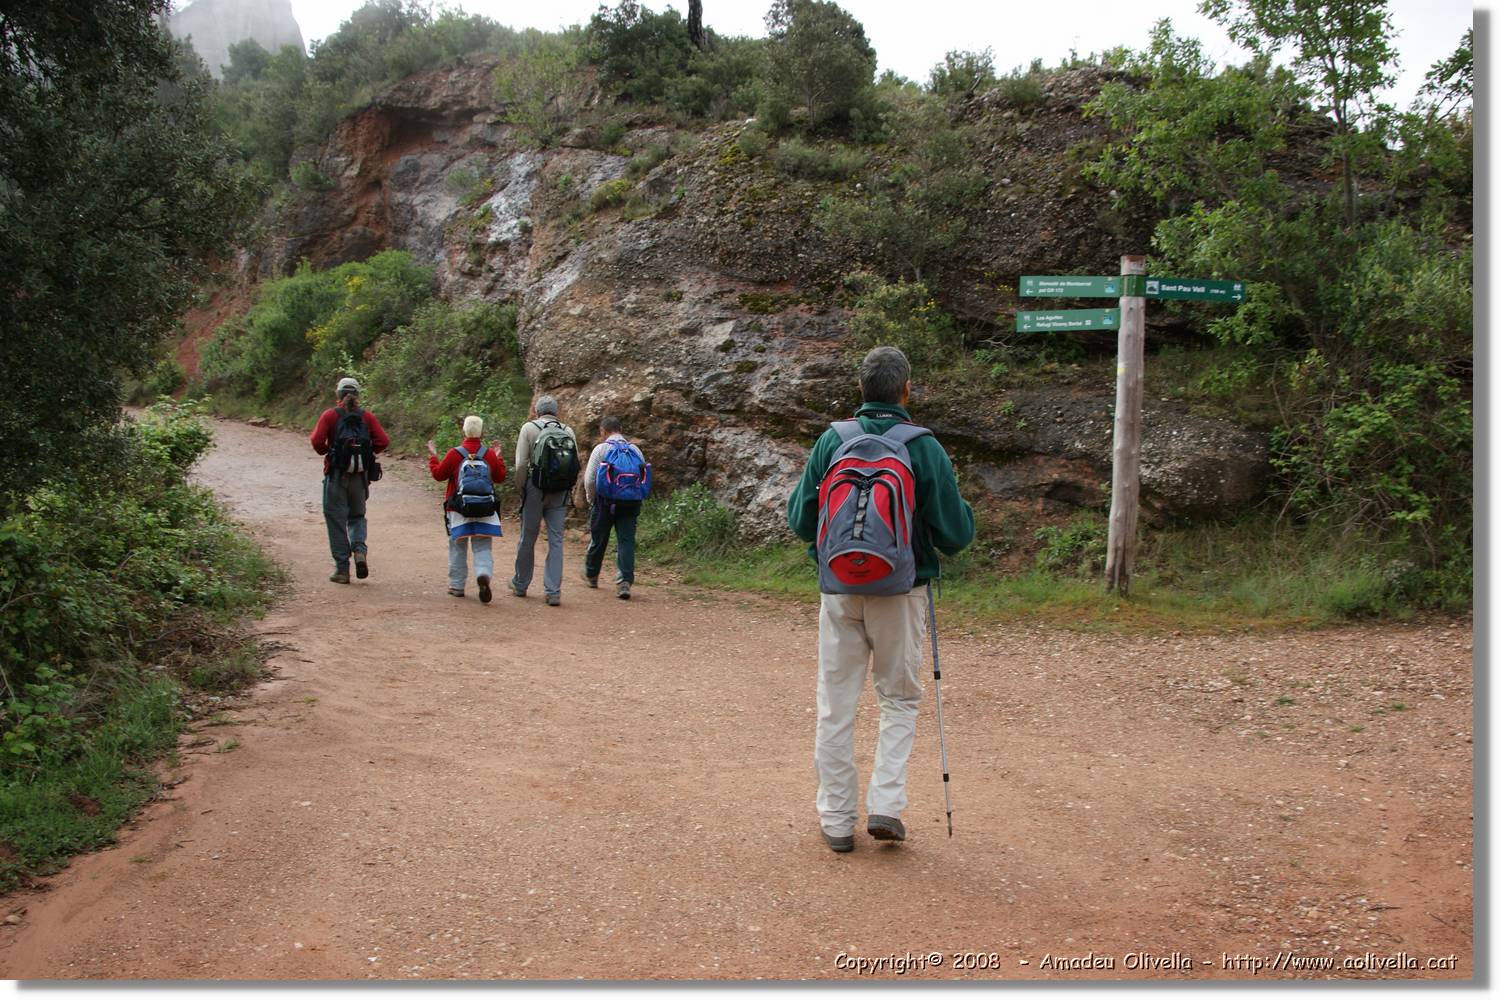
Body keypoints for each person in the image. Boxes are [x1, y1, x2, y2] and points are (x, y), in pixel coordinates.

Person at [786, 346, 975, 853]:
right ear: (906, 391)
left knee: (836, 705)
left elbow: (801, 520)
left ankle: (836, 819)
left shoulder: (833, 441)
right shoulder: (924, 448)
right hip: (902, 592)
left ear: (861, 392)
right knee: (899, 699)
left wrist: (827, 557)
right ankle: (887, 805)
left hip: (839, 592)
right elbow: (954, 534)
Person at [310, 376, 389, 585]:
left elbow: (316, 441)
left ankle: (342, 570)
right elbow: (383, 441)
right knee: (357, 516)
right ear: (357, 395)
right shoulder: (367, 417)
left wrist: (330, 452)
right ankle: (359, 551)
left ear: (338, 395)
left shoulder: (330, 416)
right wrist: (368, 452)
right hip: (360, 478)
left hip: (337, 476)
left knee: (336, 520)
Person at [427, 415, 507, 602]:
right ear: (482, 432)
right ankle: (483, 574)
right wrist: (498, 457)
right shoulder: (488, 454)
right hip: (485, 508)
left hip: (458, 508)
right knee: (482, 546)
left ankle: (457, 585)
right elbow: (500, 477)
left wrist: (433, 457)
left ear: (464, 430)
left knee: (457, 547)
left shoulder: (455, 453)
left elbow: (439, 475)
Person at [510, 394, 579, 607]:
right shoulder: (568, 431)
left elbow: (521, 464)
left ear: (537, 410)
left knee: (528, 537)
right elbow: (576, 463)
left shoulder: (529, 429)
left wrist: (522, 488)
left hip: (535, 489)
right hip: (560, 491)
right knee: (556, 540)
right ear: (556, 411)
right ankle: (553, 591)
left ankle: (521, 584)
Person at [582, 416, 649, 600]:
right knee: (626, 541)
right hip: (631, 503)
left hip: (605, 503)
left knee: (599, 539)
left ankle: (591, 574)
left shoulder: (601, 449)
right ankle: (624, 582)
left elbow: (589, 480)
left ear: (603, 431)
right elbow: (643, 476)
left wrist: (591, 499)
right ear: (620, 429)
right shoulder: (635, 449)